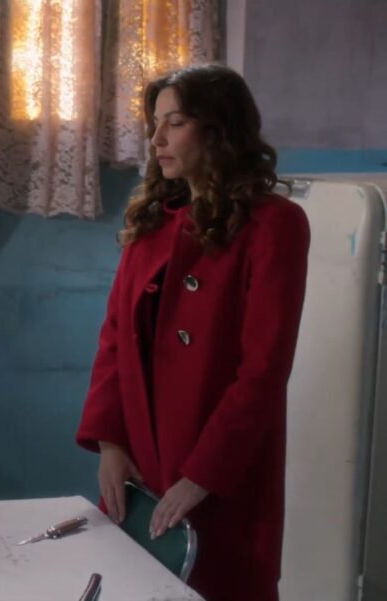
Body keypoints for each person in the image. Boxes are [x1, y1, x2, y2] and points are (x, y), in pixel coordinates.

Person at [76, 64, 309, 601]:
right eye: (155, 123)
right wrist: (110, 443)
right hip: (141, 465)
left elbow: (263, 370)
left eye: (175, 123)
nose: (156, 139)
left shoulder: (275, 225)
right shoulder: (152, 220)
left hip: (223, 471)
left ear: (218, 130)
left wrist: (203, 475)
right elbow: (114, 338)